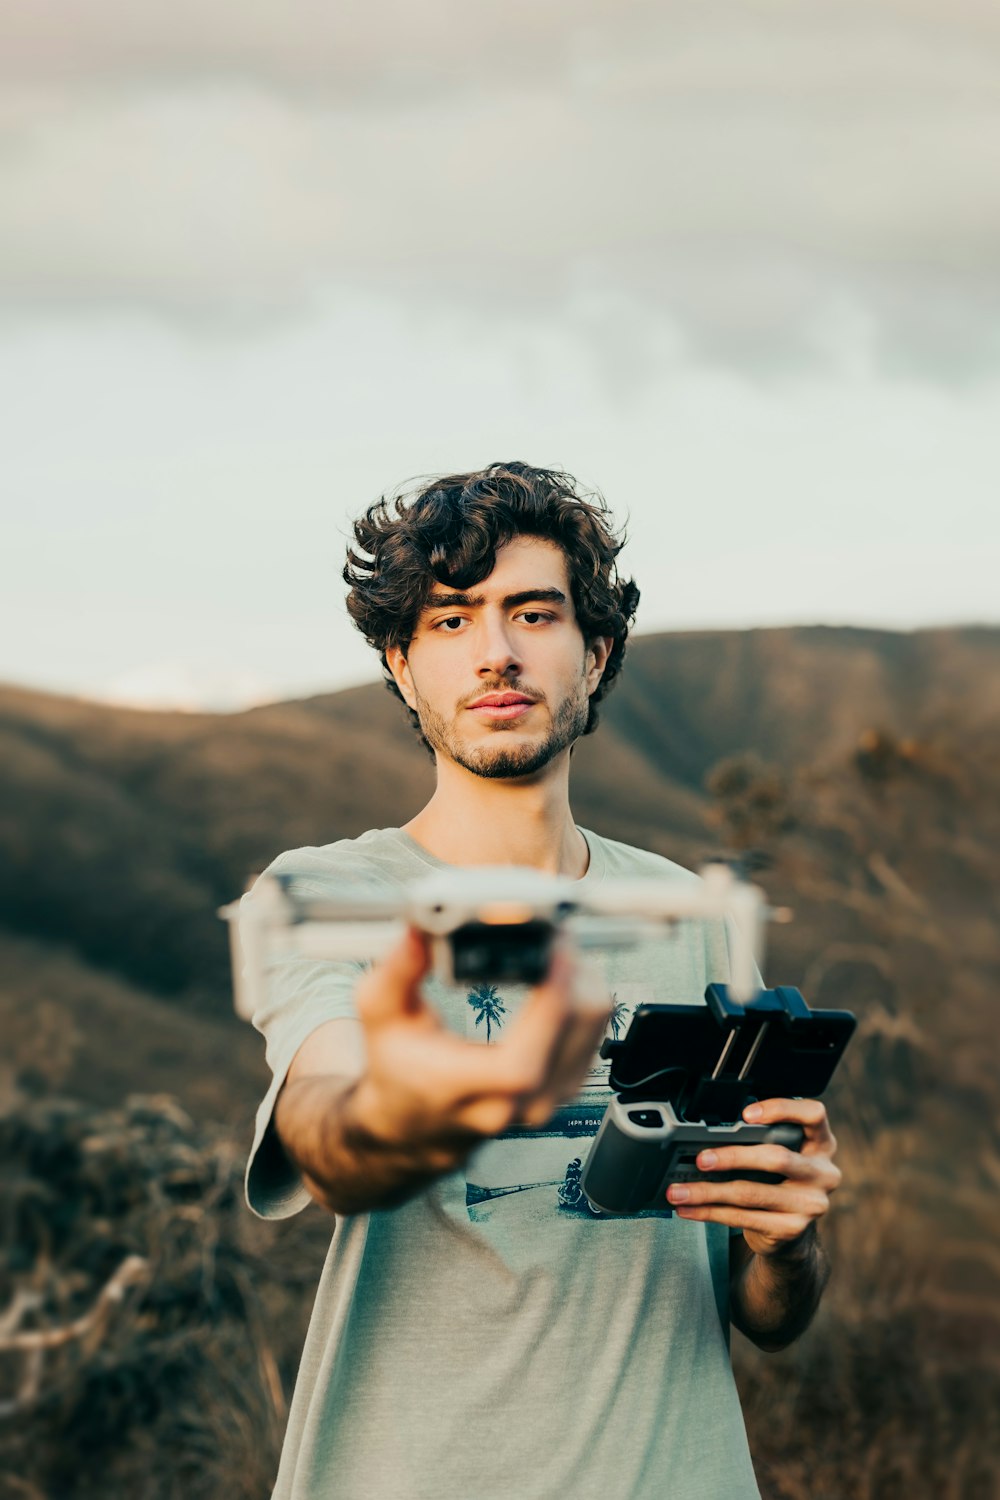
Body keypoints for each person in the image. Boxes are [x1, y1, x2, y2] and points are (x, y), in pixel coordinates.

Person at [243, 461, 842, 1500]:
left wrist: (784, 1245)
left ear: (595, 651)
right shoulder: (326, 895)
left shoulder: (686, 919)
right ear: (399, 663)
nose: (497, 652)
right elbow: (328, 1135)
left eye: (534, 613)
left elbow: (766, 1318)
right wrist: (422, 1101)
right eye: (449, 622)